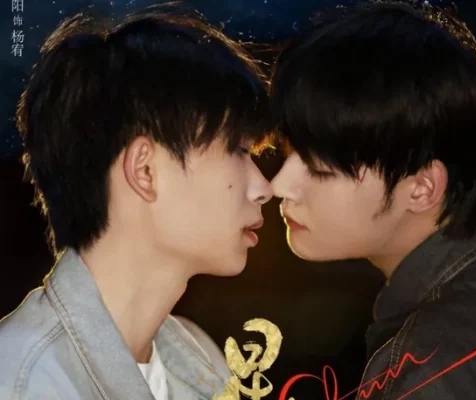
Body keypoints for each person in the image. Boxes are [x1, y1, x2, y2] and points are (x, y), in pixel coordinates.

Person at [270, 1, 476, 398]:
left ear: (421, 188)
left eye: (320, 169)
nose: (279, 185)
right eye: (287, 152)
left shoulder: (436, 363)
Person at [0, 9, 272, 400]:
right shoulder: (24, 381)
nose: (263, 188)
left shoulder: (203, 359)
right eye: (238, 151)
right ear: (145, 171)